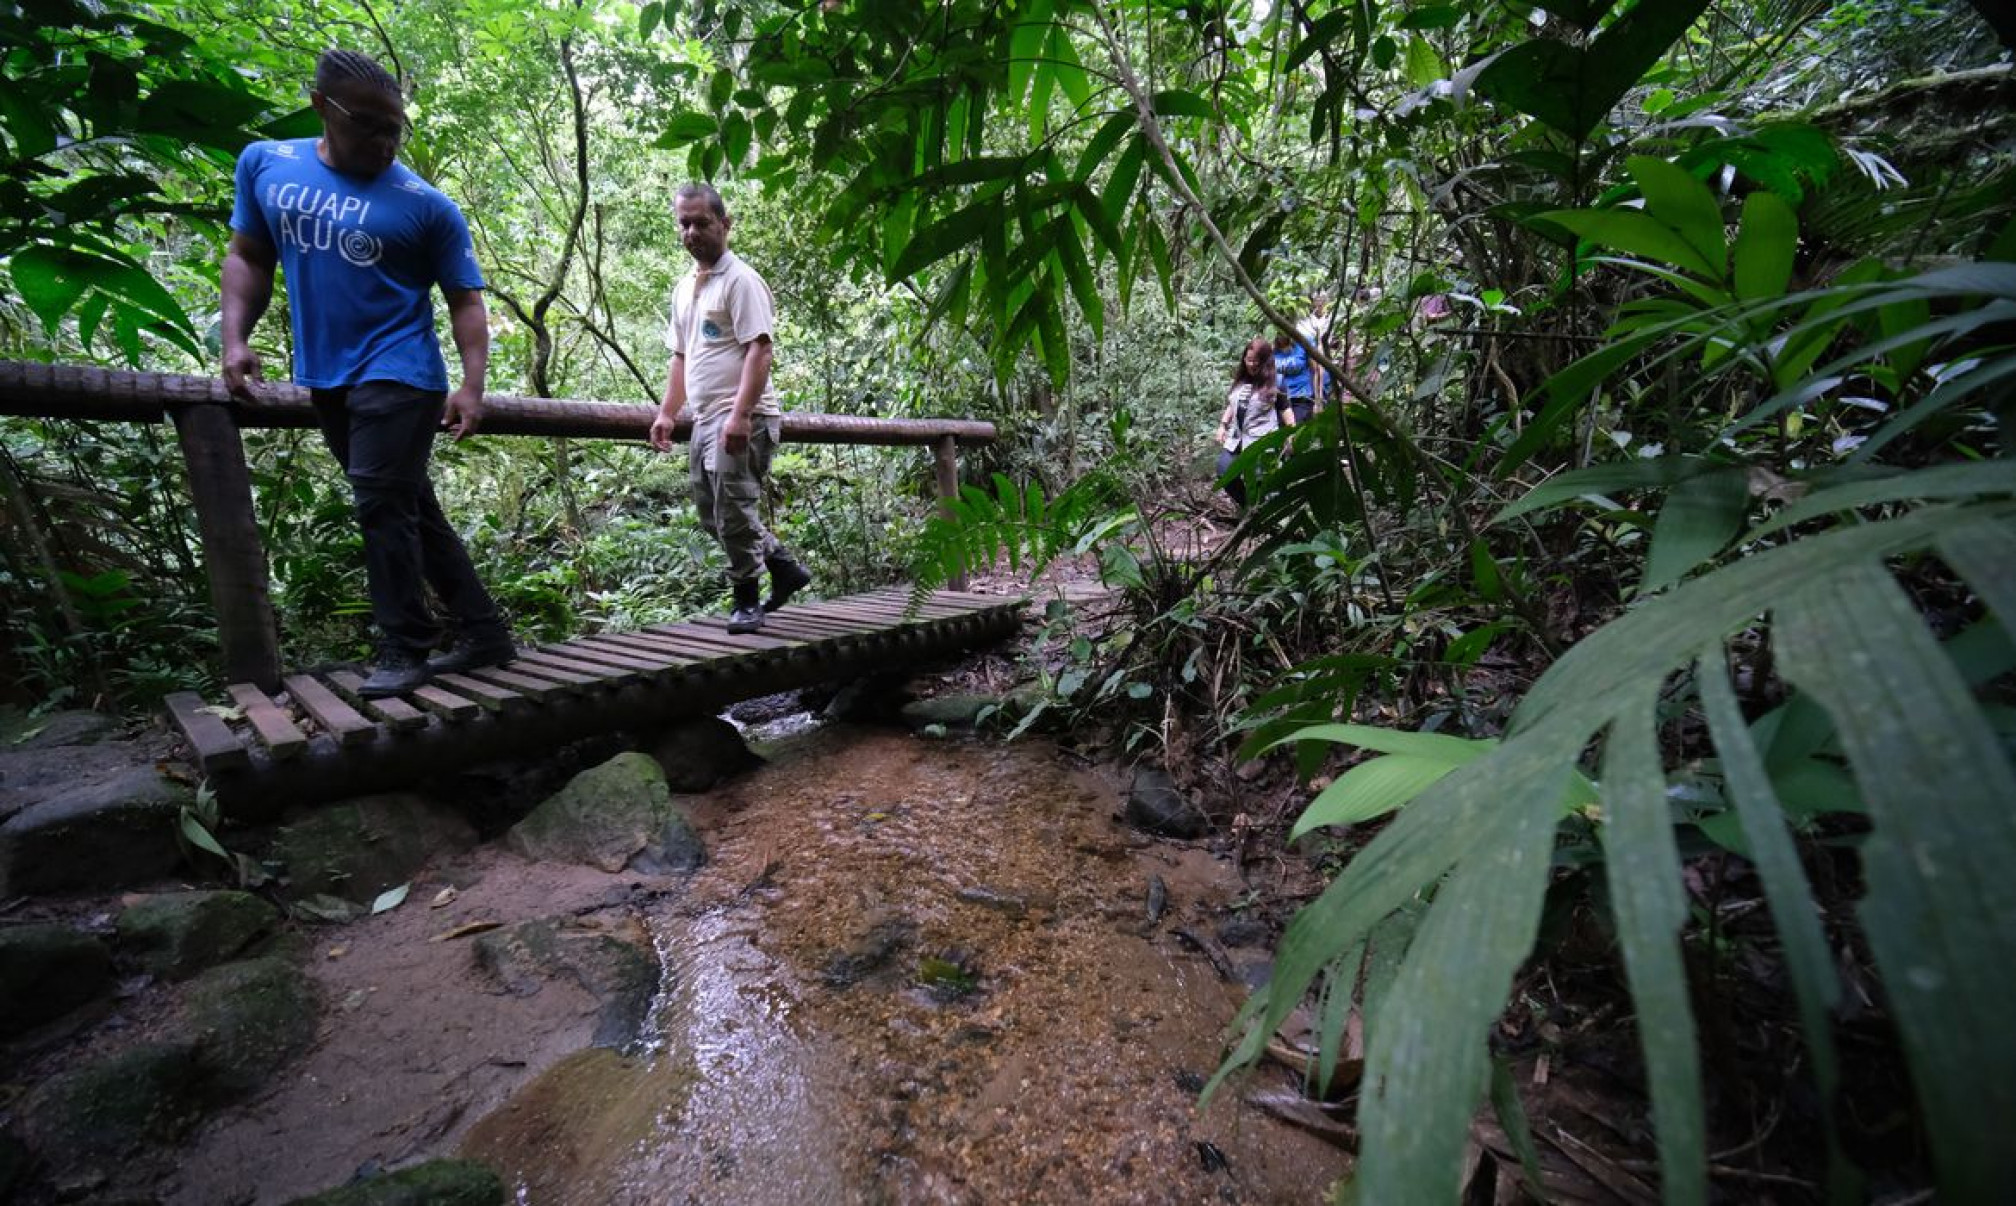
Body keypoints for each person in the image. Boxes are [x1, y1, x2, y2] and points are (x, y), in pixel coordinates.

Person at [221, 49, 514, 698]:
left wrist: (472, 386)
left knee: (381, 504)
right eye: (368, 124)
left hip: (402, 371)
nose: (385, 141)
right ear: (322, 106)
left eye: (394, 128)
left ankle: (405, 644)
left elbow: (466, 302)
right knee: (409, 505)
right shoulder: (267, 165)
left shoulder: (426, 206)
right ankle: (485, 632)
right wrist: (234, 338)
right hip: (326, 374)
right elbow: (248, 256)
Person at [648, 183, 811, 635]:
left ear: (724, 224)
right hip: (704, 417)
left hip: (743, 415)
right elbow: (681, 357)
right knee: (711, 514)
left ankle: (747, 600)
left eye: (701, 223)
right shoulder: (686, 287)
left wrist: (741, 414)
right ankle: (783, 566)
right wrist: (667, 413)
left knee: (734, 510)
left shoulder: (741, 280)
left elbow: (760, 349)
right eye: (684, 224)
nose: (691, 232)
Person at [1214, 336, 1295, 510]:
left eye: (1256, 361)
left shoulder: (1276, 382)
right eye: (1248, 360)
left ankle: (1269, 513)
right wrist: (1223, 425)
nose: (1251, 364)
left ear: (1265, 361)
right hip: (1237, 438)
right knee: (1224, 472)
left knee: (1263, 482)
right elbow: (1232, 404)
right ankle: (1249, 507)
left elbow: (1286, 410)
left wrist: (1291, 436)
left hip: (1262, 440)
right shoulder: (1241, 380)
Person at [1273, 330, 1318, 425]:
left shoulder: (1304, 341)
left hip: (1301, 397)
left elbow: (1316, 371)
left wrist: (1318, 400)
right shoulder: (1272, 349)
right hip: (1280, 400)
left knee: (1297, 431)